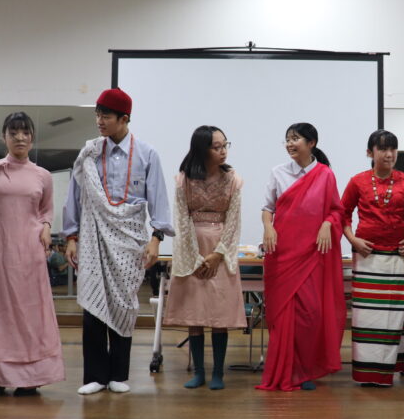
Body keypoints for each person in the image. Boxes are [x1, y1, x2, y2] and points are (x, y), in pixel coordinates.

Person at [63, 88, 173, 395]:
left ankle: (118, 374)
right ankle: (95, 376)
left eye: (106, 116)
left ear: (124, 119)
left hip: (130, 240)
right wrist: (71, 236)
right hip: (93, 238)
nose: (100, 121)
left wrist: (156, 238)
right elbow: (74, 195)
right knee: (93, 300)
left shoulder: (147, 154)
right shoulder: (89, 153)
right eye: (97, 115)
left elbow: (158, 199)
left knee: (124, 302)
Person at [0, 112, 64, 397]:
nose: (20, 137)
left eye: (25, 132)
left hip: (30, 251)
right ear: (3, 137)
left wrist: (46, 227)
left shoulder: (43, 175)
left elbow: (46, 210)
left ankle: (30, 379)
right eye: (14, 132)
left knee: (31, 312)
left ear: (32, 137)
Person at [257, 123, 346, 391]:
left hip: (312, 255)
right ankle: (288, 370)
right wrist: (268, 227)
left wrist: (328, 223)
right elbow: (267, 208)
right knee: (284, 314)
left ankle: (305, 370)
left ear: (311, 143)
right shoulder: (278, 172)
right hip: (282, 253)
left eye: (295, 139)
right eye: (287, 139)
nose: (289, 144)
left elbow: (336, 210)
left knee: (310, 314)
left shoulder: (325, 175)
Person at [164, 126, 245, 390]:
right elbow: (181, 219)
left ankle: (218, 373)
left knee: (220, 315)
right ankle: (199, 372)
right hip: (191, 248)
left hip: (220, 248)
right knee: (195, 315)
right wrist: (196, 258)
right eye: (216, 147)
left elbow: (233, 221)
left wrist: (217, 254)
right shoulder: (184, 180)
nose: (223, 151)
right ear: (202, 149)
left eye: (225, 145)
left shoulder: (232, 179)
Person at [341, 129, 404, 386]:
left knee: (396, 314)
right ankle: (368, 372)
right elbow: (342, 213)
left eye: (393, 148)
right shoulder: (357, 181)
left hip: (398, 256)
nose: (389, 154)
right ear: (369, 152)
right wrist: (353, 240)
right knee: (367, 316)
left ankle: (396, 365)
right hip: (367, 257)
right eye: (382, 149)